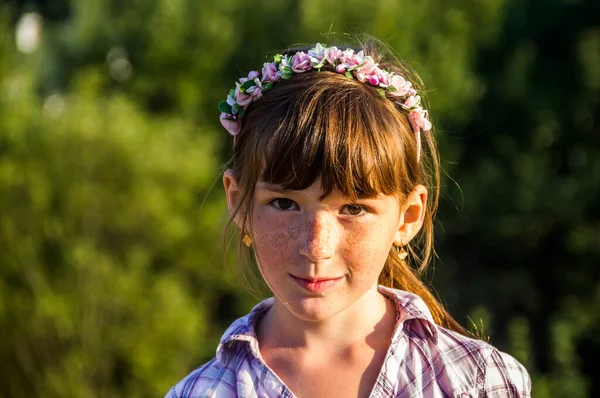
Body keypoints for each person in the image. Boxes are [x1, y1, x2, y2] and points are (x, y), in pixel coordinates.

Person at [165, 40, 532, 397]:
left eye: (353, 209)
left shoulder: (479, 383)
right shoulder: (203, 392)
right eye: (283, 204)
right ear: (239, 203)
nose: (316, 247)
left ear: (408, 217)